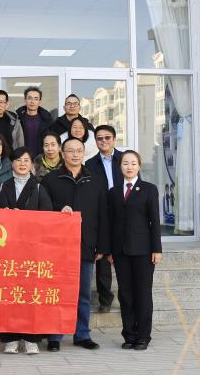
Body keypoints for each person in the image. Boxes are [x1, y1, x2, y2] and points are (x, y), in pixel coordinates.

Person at [40, 138, 109, 353]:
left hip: (86, 244)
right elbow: (42, 210)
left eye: (79, 150)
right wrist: (58, 210)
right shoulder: (51, 179)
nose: (75, 154)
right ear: (62, 153)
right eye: (70, 151)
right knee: (57, 292)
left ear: (84, 153)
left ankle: (82, 334)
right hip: (57, 247)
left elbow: (104, 215)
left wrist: (102, 246)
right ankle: (54, 336)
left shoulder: (95, 180)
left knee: (83, 294)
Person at [0, 146, 53, 355]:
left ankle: (31, 338)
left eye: (26, 160)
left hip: (31, 250)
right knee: (9, 294)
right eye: (18, 160)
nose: (22, 163)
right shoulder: (3, 186)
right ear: (11, 163)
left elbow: (47, 217)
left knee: (30, 295)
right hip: (8, 249)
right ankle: (10, 338)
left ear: (31, 164)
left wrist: (24, 217)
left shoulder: (38, 187)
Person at [108, 150, 162, 351]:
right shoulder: (113, 191)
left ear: (139, 166)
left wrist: (157, 249)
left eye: (133, 163)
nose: (129, 167)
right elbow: (111, 222)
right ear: (120, 166)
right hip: (120, 251)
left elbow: (154, 221)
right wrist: (110, 251)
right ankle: (129, 334)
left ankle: (143, 336)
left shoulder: (149, 189)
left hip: (143, 251)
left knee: (143, 294)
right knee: (125, 294)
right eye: (125, 163)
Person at [84, 124, 123, 314]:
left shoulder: (124, 159)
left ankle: (127, 297)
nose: (104, 141)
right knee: (103, 257)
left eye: (107, 137)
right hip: (102, 213)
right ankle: (105, 299)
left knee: (124, 256)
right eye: (99, 138)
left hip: (122, 212)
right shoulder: (90, 164)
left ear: (114, 139)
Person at [15, 86, 53, 157]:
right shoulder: (17, 118)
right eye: (29, 98)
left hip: (41, 158)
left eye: (36, 99)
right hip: (22, 158)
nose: (32, 102)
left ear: (40, 102)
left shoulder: (47, 120)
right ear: (25, 100)